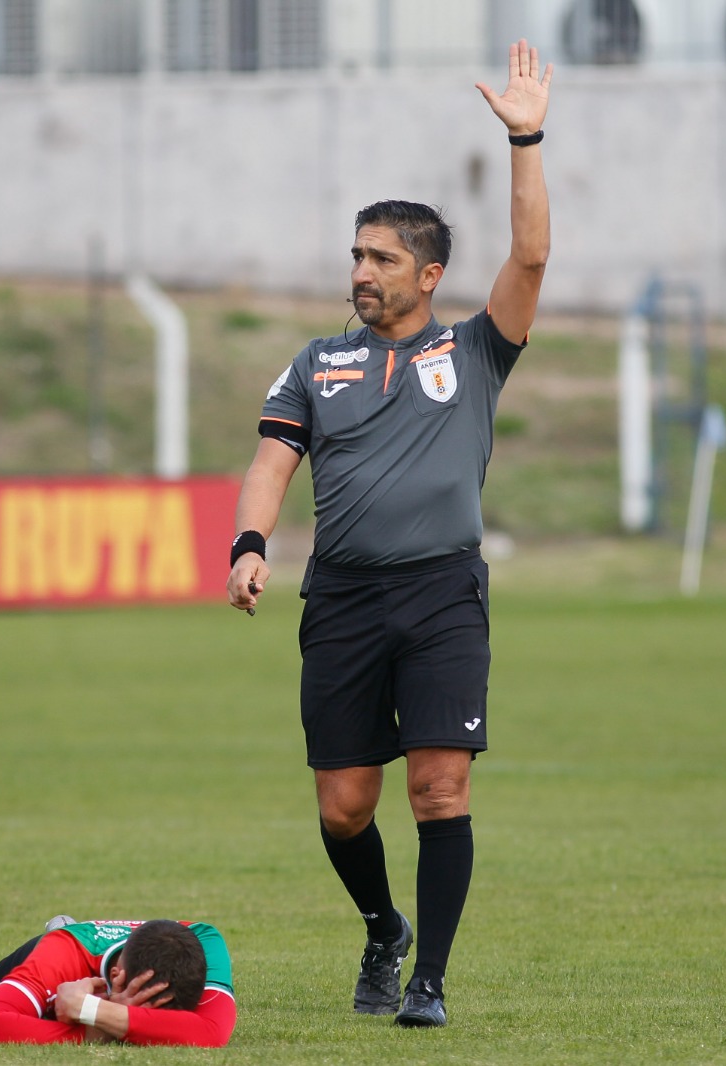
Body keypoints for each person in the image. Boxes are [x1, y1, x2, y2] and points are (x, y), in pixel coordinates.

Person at [225, 41, 552, 1027]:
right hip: (345, 597)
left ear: (428, 272)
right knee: (344, 807)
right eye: (355, 255)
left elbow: (531, 255)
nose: (360, 271)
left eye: (379, 258)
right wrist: (249, 543)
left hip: (442, 592)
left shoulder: (476, 348)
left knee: (440, 789)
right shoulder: (316, 362)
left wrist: (525, 138)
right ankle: (381, 925)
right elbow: (273, 460)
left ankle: (430, 983)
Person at [0, 916, 235, 1047]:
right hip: (61, 951)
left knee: (51, 1016)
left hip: (81, 975)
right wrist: (98, 1024)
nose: (153, 1022)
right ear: (118, 977)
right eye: (148, 1007)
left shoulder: (203, 944)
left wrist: (95, 1014)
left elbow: (212, 1031)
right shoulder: (62, 956)